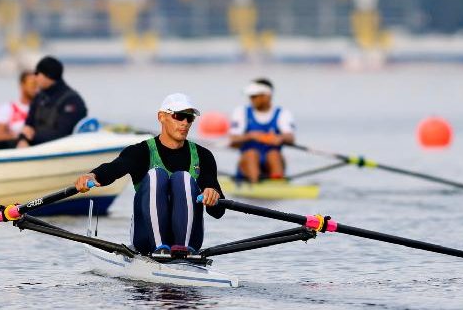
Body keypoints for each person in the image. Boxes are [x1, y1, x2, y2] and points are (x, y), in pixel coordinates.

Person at [75, 93, 224, 257]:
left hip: (190, 242)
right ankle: (160, 246)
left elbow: (218, 212)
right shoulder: (140, 152)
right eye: (179, 116)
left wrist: (212, 196)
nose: (185, 123)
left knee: (183, 178)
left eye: (190, 118)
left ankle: (182, 248)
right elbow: (114, 169)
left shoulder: (203, 156)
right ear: (161, 117)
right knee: (156, 175)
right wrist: (92, 176)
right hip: (145, 240)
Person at [228, 78, 296, 183]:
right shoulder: (241, 112)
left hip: (272, 160)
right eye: (250, 96)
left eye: (254, 96)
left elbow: (290, 137)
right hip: (248, 162)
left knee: (273, 154)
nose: (251, 99)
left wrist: (280, 138)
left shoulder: (283, 113)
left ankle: (277, 183)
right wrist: (252, 136)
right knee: (252, 154)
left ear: (267, 96)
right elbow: (233, 140)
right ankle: (255, 182)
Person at [16, 56, 87, 147]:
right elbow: (28, 125)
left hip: (64, 150)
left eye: (37, 73)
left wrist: (33, 136)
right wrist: (22, 139)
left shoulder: (72, 100)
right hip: (36, 149)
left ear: (48, 75)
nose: (35, 77)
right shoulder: (39, 97)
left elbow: (64, 134)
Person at [0, 69, 38, 150]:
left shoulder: (42, 108)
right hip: (15, 148)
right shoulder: (7, 108)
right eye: (32, 85)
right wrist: (21, 136)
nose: (36, 89)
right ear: (22, 85)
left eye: (37, 85)